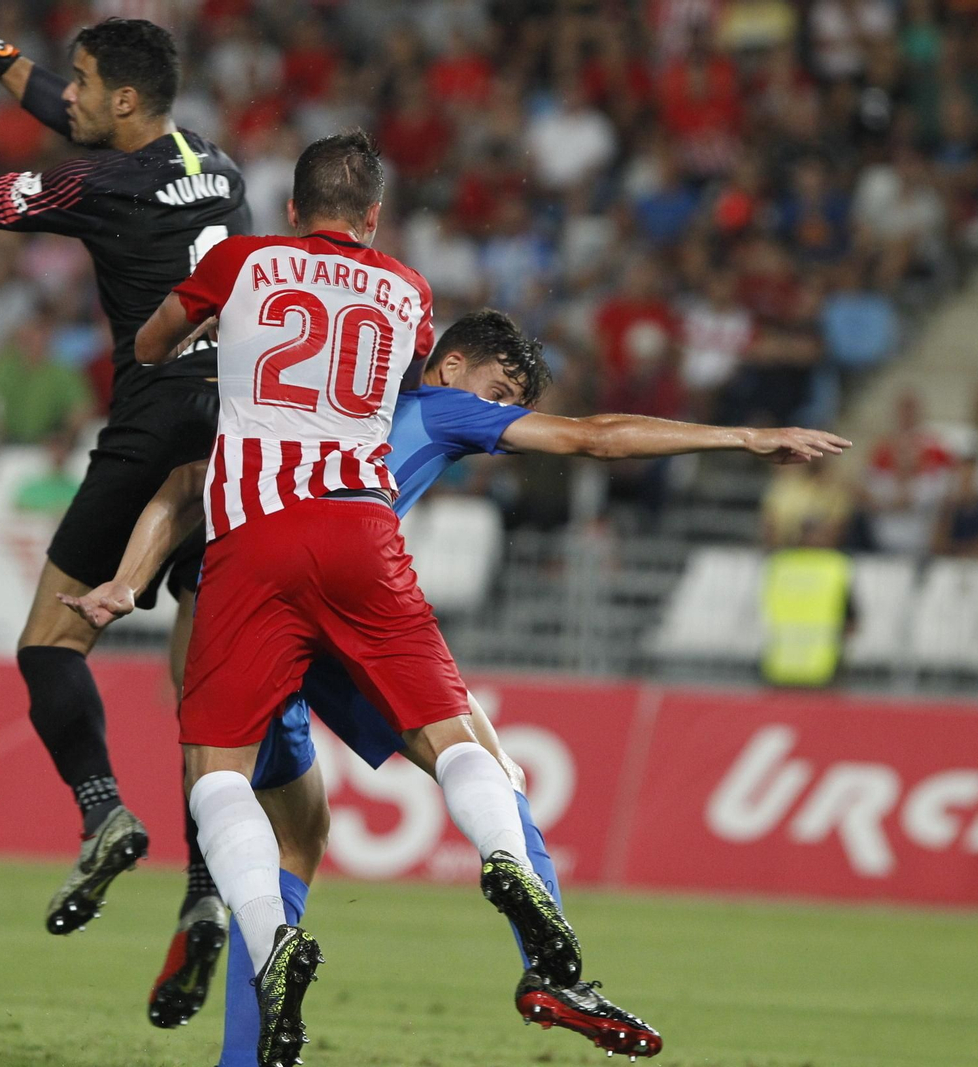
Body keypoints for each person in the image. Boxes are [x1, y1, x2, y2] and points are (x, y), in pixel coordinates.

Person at [131, 130, 851, 1067]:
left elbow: (188, 464)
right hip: (345, 573)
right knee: (482, 774)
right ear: (451, 360)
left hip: (242, 577)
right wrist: (742, 437)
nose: (501, 404)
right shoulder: (435, 393)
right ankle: (549, 966)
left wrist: (124, 577)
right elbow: (595, 436)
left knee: (284, 825)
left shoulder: (301, 350)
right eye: (500, 385)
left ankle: (246, 1008)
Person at [0, 2, 251, 932]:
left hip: (152, 427)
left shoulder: (102, 186)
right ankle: (208, 889)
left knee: (49, 642)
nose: (67, 93)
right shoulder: (217, 161)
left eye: (81, 81)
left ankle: (102, 811)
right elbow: (85, 124)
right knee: (199, 687)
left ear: (124, 98)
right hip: (236, 441)